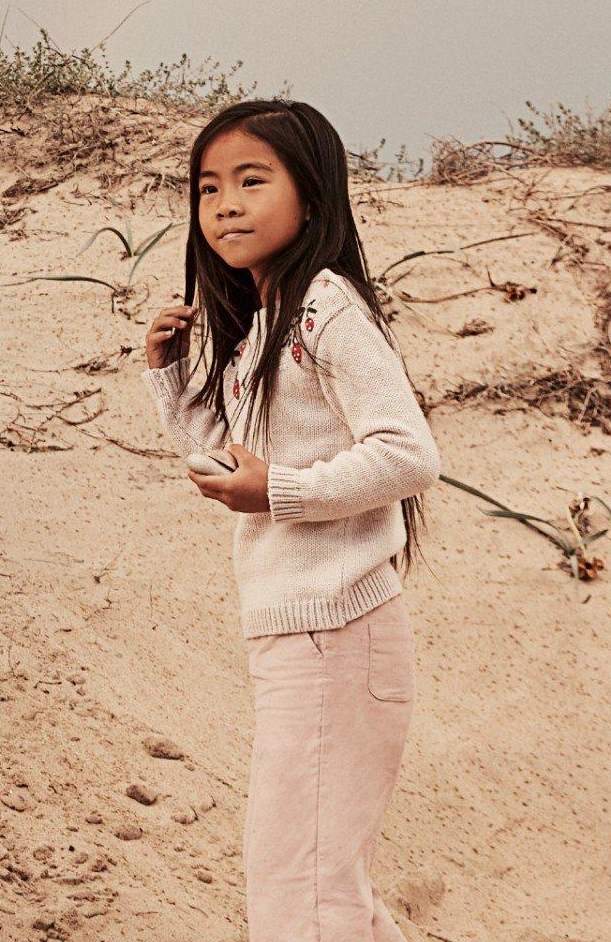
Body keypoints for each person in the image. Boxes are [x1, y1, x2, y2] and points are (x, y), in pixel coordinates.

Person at [140, 99, 441, 941]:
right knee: (316, 882)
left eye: (250, 180)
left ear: (311, 197)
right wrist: (169, 378)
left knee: (299, 889)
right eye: (207, 188)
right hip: (298, 636)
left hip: (337, 632)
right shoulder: (261, 331)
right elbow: (232, 468)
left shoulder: (324, 310)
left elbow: (409, 454)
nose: (225, 204)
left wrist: (279, 491)